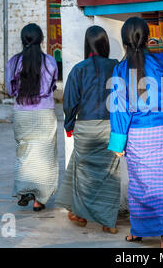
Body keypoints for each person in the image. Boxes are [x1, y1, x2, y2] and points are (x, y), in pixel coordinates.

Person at [107, 17, 163, 248]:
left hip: (136, 137)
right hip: (162, 132)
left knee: (139, 185)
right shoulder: (160, 61)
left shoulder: (119, 69)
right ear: (147, 38)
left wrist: (118, 143)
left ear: (125, 41)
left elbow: (119, 109)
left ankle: (138, 231)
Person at [55, 25, 121, 234]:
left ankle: (80, 214)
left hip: (85, 127)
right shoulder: (116, 66)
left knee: (83, 173)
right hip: (111, 127)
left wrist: (68, 125)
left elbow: (70, 102)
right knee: (110, 174)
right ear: (105, 44)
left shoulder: (79, 69)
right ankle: (108, 222)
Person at [5, 23, 59, 212]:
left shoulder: (13, 62)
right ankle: (39, 199)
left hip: (21, 113)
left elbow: (9, 90)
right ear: (42, 40)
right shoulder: (50, 62)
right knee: (45, 156)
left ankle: (24, 190)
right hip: (44, 113)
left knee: (24, 152)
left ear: (22, 40)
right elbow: (53, 86)